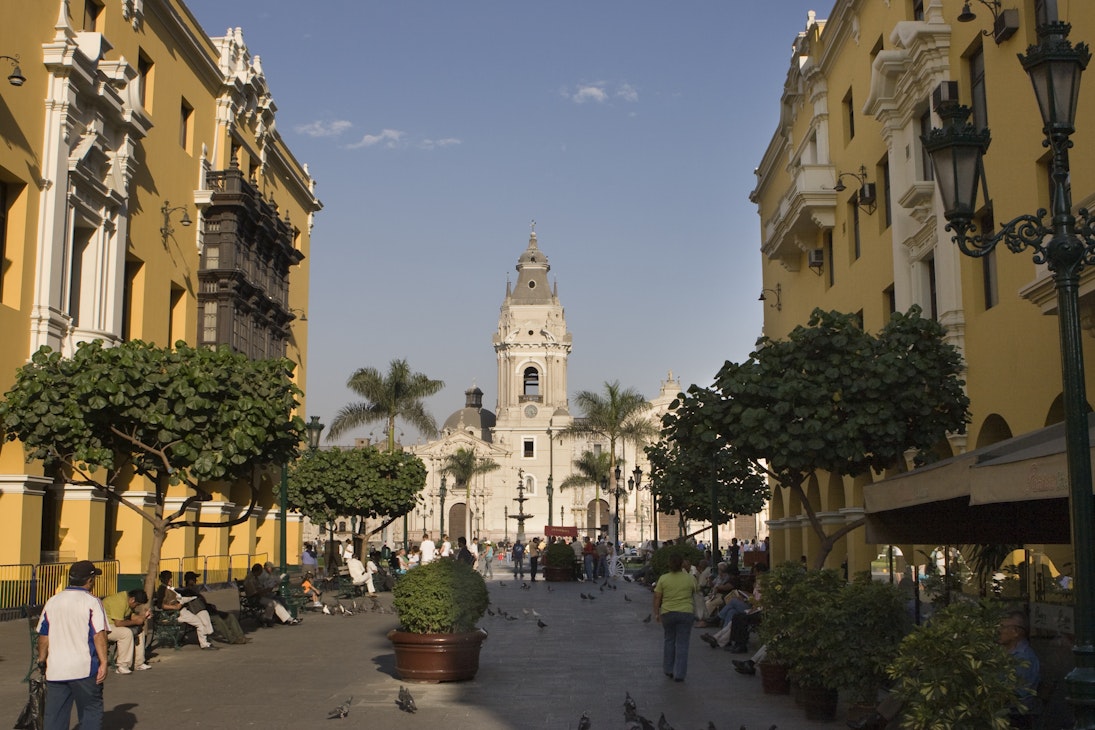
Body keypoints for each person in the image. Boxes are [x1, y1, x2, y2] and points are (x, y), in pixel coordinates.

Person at [36, 560, 109, 730]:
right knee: (90, 710)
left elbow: (43, 635)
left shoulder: (53, 601)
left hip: (56, 669)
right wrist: (104, 662)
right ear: (90, 580)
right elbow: (99, 634)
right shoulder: (92, 602)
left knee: (55, 715)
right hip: (84, 668)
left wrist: (41, 659)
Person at [654, 553, 698, 682]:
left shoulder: (663, 578)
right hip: (686, 612)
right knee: (682, 643)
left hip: (668, 612)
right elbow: (697, 591)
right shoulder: (689, 578)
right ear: (682, 564)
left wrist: (656, 613)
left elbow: (657, 597)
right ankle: (679, 673)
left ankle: (668, 669)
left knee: (669, 640)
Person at [155, 570, 218, 649]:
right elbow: (160, 605)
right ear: (165, 579)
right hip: (176, 613)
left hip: (180, 611)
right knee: (199, 623)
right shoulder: (162, 589)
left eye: (171, 578)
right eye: (169, 578)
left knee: (200, 620)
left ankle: (205, 641)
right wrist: (175, 607)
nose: (171, 580)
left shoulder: (168, 588)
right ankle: (204, 643)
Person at [180, 572, 248, 644]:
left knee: (230, 616)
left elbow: (202, 602)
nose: (196, 581)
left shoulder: (194, 590)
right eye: (194, 579)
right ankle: (232, 639)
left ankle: (240, 636)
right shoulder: (187, 592)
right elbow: (196, 607)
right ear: (190, 581)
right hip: (201, 614)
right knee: (218, 620)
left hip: (208, 610)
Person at [101, 588, 150, 674]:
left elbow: (131, 616)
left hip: (112, 625)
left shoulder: (128, 601)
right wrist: (136, 621)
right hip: (104, 627)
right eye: (137, 604)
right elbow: (118, 623)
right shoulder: (119, 601)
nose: (136, 607)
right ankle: (122, 666)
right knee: (126, 633)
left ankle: (138, 663)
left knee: (139, 631)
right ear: (132, 600)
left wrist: (143, 617)